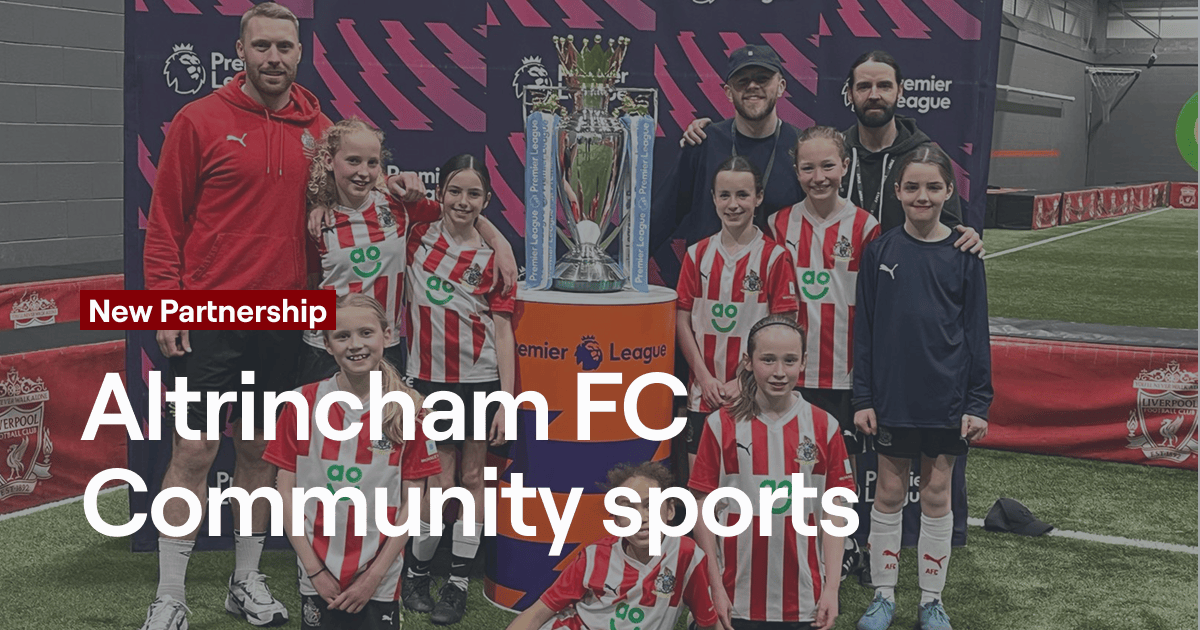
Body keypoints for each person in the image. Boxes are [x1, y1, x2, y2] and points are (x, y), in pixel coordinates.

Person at [139, 4, 330, 628]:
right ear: (240, 52)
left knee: (258, 457)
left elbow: (364, 201)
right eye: (263, 47)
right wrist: (167, 304)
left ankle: (243, 581)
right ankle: (170, 596)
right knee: (193, 454)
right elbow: (165, 222)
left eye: (286, 47)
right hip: (211, 316)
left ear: (300, 53)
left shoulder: (320, 131)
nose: (275, 58)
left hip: (285, 320)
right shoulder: (199, 120)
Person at [851, 144, 991, 630]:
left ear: (949, 192)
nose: (922, 196)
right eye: (912, 187)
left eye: (933, 187)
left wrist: (978, 402)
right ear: (897, 191)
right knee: (887, 492)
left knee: (937, 495)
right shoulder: (881, 250)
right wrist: (864, 397)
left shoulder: (965, 253)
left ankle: (931, 600)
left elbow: (977, 331)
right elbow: (864, 330)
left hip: (947, 399)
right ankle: (883, 596)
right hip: (893, 398)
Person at [680, 50, 982, 255]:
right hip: (832, 282)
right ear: (849, 93)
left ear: (900, 91)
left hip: (901, 285)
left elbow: (951, 231)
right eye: (864, 86)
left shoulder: (926, 157)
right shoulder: (828, 152)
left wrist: (968, 237)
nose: (874, 95)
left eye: (884, 86)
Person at [263, 293, 441, 630]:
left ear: (387, 336)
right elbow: (284, 493)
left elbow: (412, 502)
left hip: (380, 575)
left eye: (365, 333)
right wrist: (314, 569)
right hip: (317, 571)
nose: (355, 344)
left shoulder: (411, 409)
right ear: (327, 345)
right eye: (342, 336)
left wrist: (373, 576)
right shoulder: (302, 402)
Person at [299, 118, 516, 383]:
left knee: (383, 424)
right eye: (353, 161)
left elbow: (458, 210)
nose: (363, 172)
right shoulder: (317, 221)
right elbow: (308, 285)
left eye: (372, 163)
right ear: (330, 161)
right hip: (328, 349)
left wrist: (500, 244)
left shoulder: (397, 206)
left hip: (384, 348)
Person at [401, 154, 517, 625]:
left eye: (473, 194)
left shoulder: (495, 260)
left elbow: (505, 332)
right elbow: (390, 190)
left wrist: (506, 399)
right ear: (440, 192)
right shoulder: (416, 235)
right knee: (438, 482)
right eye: (454, 190)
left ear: (486, 201)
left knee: (472, 481)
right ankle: (417, 571)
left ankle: (457, 581)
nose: (462, 201)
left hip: (481, 380)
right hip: (429, 381)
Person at [689, 315, 855, 630]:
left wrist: (832, 587)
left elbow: (835, 513)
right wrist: (714, 585)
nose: (779, 372)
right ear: (748, 362)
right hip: (733, 599)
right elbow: (701, 505)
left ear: (803, 362)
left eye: (789, 360)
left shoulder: (824, 426)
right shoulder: (720, 425)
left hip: (804, 603)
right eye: (768, 360)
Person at [766, 126, 879, 582]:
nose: (818, 176)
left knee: (838, 470)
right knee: (790, 464)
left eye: (827, 166)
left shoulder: (866, 226)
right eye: (808, 167)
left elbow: (873, 309)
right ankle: (794, 544)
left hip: (843, 376)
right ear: (796, 171)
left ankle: (849, 544)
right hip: (788, 374)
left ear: (845, 167)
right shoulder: (778, 224)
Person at [676, 156, 798, 473]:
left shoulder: (775, 257)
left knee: (749, 486)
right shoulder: (696, 254)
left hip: (755, 395)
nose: (733, 205)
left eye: (743, 195)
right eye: (725, 195)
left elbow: (785, 328)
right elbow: (682, 320)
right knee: (703, 489)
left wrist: (743, 382)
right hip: (705, 395)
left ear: (758, 198)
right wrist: (704, 377)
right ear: (714, 198)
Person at [650, 45, 804, 283]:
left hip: (778, 288)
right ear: (728, 92)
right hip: (710, 285)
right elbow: (664, 214)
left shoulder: (801, 148)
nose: (752, 86)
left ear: (781, 86)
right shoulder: (703, 142)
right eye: (742, 81)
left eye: (763, 79)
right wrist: (621, 264)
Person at [504, 461, 719, 630]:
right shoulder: (595, 557)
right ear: (616, 520)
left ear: (670, 510)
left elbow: (707, 621)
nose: (641, 517)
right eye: (628, 509)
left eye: (650, 505)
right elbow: (539, 612)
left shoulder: (687, 555)